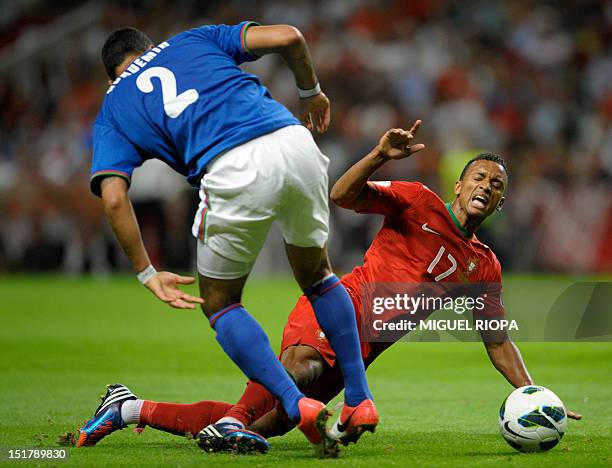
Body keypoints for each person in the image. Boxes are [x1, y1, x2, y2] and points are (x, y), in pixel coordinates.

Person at [76, 124, 582, 453]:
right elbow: (342, 195)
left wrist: (532, 393)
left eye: (496, 186)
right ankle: (229, 423)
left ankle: (127, 408)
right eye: (478, 177)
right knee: (300, 369)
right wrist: (380, 155)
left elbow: (497, 341)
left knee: (264, 425)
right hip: (334, 311)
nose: (485, 187)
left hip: (359, 355)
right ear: (458, 185)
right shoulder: (418, 201)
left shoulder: (484, 265)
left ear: (501, 203)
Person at [78, 21, 376, 457]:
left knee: (220, 302)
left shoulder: (113, 106)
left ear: (111, 76)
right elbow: (290, 37)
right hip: (295, 141)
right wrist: (310, 91)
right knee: (319, 276)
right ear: (152, 45)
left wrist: (146, 271)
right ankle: (360, 399)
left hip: (233, 165)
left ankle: (297, 405)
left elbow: (114, 198)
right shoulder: (191, 40)